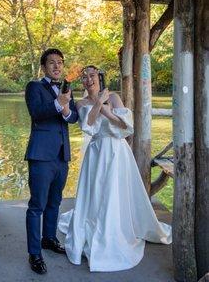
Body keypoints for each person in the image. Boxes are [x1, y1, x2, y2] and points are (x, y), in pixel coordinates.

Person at [58, 65, 172, 272]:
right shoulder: (82, 102)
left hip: (117, 151)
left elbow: (127, 127)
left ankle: (113, 229)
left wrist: (107, 110)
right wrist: (98, 104)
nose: (88, 80)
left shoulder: (115, 98)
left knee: (113, 191)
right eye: (84, 78)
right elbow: (88, 126)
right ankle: (92, 226)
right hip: (96, 152)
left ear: (99, 78)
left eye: (91, 76)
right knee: (96, 192)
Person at [25, 48, 78, 275]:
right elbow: (37, 112)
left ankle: (49, 239)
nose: (57, 66)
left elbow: (73, 117)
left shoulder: (66, 89)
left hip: (61, 156)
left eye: (60, 62)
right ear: (44, 67)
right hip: (41, 156)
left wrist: (65, 107)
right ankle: (34, 253)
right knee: (37, 206)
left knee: (54, 203)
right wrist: (58, 103)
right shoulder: (34, 87)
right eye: (52, 63)